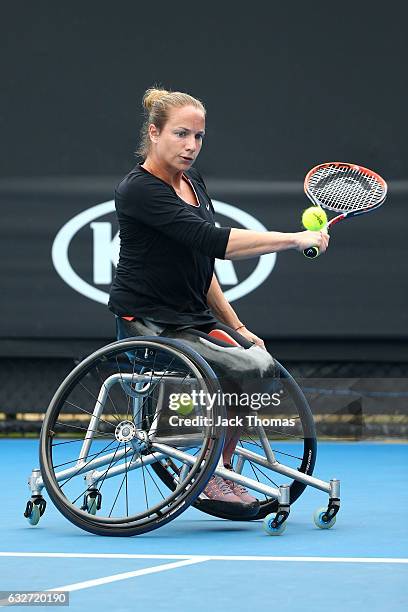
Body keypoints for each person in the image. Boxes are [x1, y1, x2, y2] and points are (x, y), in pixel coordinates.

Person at [109, 87, 329, 518]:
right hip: (146, 324)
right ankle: (209, 467)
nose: (191, 146)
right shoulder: (139, 190)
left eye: (199, 137)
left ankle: (218, 460)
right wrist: (293, 239)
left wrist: (239, 327)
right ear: (154, 133)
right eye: (181, 134)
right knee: (242, 369)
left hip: (189, 320)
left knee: (259, 363)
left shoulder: (194, 183)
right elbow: (217, 242)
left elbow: (203, 264)